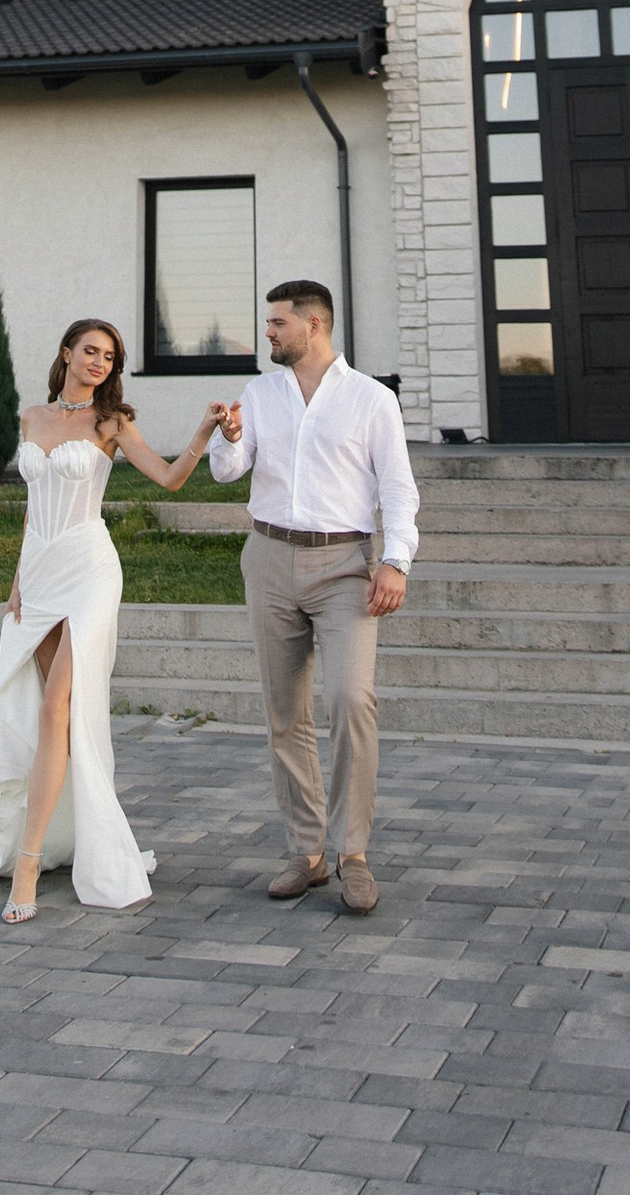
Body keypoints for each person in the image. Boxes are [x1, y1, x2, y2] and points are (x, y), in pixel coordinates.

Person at [0, 316, 228, 920]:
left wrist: (201, 432)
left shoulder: (111, 422)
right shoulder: (31, 417)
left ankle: (29, 865)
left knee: (57, 706)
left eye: (110, 357)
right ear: (66, 353)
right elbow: (32, 508)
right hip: (39, 576)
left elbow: (169, 479)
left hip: (89, 571)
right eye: (90, 351)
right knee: (53, 719)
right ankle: (67, 832)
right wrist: (16, 584)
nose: (99, 362)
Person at [208, 278, 419, 917]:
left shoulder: (371, 399)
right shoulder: (260, 394)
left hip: (344, 565)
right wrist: (230, 435)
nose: (268, 332)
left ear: (314, 324)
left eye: (278, 323)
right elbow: (226, 471)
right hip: (269, 557)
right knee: (285, 711)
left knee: (351, 700)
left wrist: (396, 561)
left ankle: (353, 853)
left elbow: (398, 488)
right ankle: (307, 852)